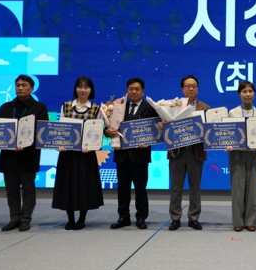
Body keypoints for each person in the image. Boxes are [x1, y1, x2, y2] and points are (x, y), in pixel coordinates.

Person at [0, 75, 49, 232]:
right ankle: (14, 218)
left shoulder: (39, 108)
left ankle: (26, 219)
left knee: (28, 189)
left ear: (32, 88)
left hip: (29, 155)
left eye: (24, 85)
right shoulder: (6, 107)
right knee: (11, 191)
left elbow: (43, 132)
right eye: (18, 85)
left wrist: (27, 144)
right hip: (9, 156)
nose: (20, 88)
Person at [52, 77, 104, 230]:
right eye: (80, 87)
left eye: (86, 87)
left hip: (86, 155)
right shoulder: (66, 106)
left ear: (91, 90)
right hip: (68, 154)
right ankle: (70, 219)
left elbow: (97, 132)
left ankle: (81, 219)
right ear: (75, 89)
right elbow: (61, 129)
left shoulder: (96, 109)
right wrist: (60, 144)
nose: (83, 90)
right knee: (67, 185)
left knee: (84, 186)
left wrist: (91, 146)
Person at [106, 77, 158, 230]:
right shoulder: (118, 107)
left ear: (143, 91)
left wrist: (148, 141)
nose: (134, 92)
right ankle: (123, 217)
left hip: (140, 156)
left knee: (140, 189)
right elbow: (108, 127)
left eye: (137, 89)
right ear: (127, 91)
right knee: (122, 189)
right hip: (122, 155)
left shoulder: (150, 108)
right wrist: (107, 132)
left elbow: (156, 130)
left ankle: (141, 217)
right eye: (131, 89)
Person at [167, 75, 210, 231]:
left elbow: (210, 132)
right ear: (182, 89)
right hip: (177, 153)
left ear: (197, 89)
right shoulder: (172, 106)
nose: (191, 89)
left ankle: (194, 218)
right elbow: (165, 127)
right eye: (188, 86)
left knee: (195, 187)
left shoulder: (205, 108)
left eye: (194, 86)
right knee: (176, 187)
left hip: (195, 153)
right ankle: (175, 218)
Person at [225, 81, 256, 232]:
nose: (248, 94)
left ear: (254, 93)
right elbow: (228, 134)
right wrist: (228, 144)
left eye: (250, 91)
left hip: (254, 154)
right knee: (237, 188)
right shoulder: (232, 113)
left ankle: (251, 220)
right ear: (239, 94)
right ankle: (238, 221)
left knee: (253, 188)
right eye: (244, 91)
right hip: (237, 154)